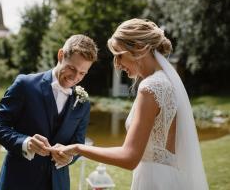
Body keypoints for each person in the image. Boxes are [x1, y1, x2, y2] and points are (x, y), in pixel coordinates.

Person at [49, 19, 209, 190]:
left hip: (154, 182)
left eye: (119, 55)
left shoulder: (150, 88)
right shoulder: (167, 81)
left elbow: (129, 157)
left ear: (139, 48)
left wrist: (78, 148)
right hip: (171, 178)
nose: (117, 64)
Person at [0, 34, 98, 190]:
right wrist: (26, 142)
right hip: (18, 181)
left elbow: (78, 144)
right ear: (60, 55)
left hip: (58, 184)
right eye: (72, 68)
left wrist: (69, 156)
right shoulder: (25, 85)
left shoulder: (83, 103)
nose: (75, 77)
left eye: (82, 73)